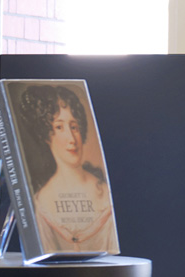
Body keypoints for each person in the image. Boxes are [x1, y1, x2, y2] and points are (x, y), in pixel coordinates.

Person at [17, 84, 117, 253]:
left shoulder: (105, 192)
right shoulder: (42, 201)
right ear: (46, 134)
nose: (71, 139)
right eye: (59, 127)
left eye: (74, 127)